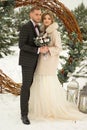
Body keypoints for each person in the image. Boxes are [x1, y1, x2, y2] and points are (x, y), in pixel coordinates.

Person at [29, 12, 86, 121]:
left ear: (52, 20)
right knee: (39, 81)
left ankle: (49, 108)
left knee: (47, 83)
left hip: (49, 62)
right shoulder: (42, 31)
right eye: (44, 18)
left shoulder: (55, 33)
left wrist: (48, 49)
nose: (46, 20)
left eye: (48, 18)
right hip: (41, 61)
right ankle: (40, 107)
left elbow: (59, 48)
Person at [19, 7, 48, 125]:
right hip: (27, 62)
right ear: (30, 14)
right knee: (26, 86)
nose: (39, 16)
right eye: (36, 14)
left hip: (37, 62)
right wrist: (38, 50)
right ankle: (24, 114)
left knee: (33, 85)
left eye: (40, 14)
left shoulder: (39, 28)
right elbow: (22, 45)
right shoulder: (26, 27)